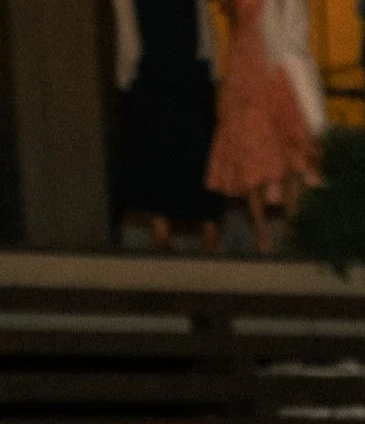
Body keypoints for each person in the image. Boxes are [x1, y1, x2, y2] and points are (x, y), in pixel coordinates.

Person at [205, 0, 322, 257]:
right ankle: (262, 235)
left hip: (277, 62)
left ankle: (291, 229)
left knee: (288, 148)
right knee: (250, 145)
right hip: (246, 62)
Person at [113, 0, 220, 253]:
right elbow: (127, 27)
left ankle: (206, 228)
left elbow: (203, 20)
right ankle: (165, 227)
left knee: (197, 148)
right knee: (159, 146)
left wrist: (211, 64)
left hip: (183, 68)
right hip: (156, 67)